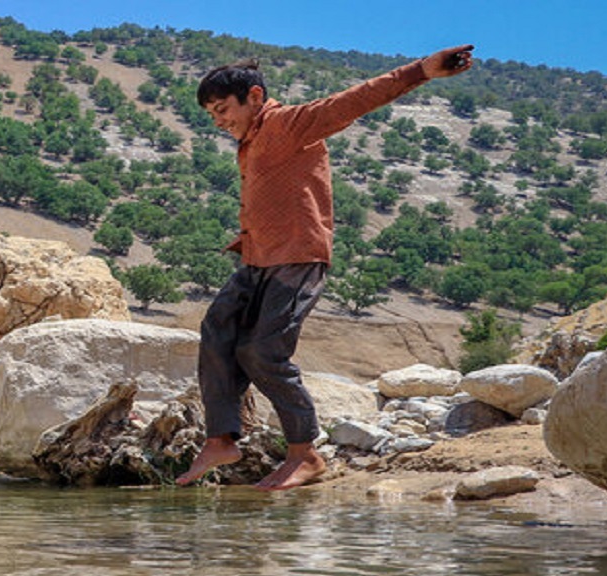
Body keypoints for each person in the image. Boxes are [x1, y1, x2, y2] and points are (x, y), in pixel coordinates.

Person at [176, 45, 475, 491]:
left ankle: (306, 454)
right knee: (218, 329)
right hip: (258, 257)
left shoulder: (287, 123)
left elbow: (353, 100)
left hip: (297, 257)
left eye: (222, 109)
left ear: (254, 97)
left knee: (262, 352)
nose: (218, 121)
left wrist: (421, 71)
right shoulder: (250, 140)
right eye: (211, 114)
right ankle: (220, 438)